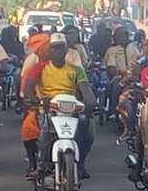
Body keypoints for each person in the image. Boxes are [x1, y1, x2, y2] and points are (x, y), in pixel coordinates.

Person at [23, 33, 96, 179]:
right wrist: (34, 99)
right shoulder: (39, 68)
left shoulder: (76, 70)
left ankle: (80, 163)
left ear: (66, 50)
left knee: (88, 132)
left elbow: (85, 89)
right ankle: (41, 165)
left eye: (61, 48)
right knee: (44, 133)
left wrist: (91, 103)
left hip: (71, 110)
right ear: (50, 50)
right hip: (48, 109)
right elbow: (29, 87)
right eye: (54, 48)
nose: (58, 52)